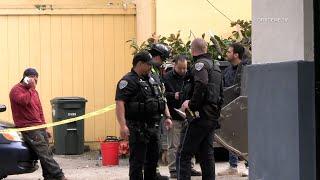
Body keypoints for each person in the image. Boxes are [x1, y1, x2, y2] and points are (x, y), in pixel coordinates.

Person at [115, 51, 172, 180]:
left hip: (154, 127)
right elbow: (120, 103)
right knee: (137, 162)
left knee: (152, 161)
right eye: (148, 65)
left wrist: (167, 117)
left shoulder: (153, 78)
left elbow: (161, 99)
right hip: (137, 128)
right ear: (140, 64)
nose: (151, 67)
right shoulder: (127, 81)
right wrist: (123, 125)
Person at [176, 38, 224, 180]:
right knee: (206, 155)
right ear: (206, 49)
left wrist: (191, 104)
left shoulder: (200, 65)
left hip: (200, 116)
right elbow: (221, 92)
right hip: (211, 116)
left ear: (193, 50)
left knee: (184, 154)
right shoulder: (215, 66)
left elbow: (201, 84)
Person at [9, 68, 67, 180]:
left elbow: (39, 111)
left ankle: (48, 177)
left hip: (39, 126)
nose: (35, 82)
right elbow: (24, 101)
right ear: (26, 78)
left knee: (47, 154)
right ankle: (60, 176)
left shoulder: (34, 92)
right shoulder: (16, 90)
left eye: (36, 80)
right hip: (28, 127)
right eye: (33, 79)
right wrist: (31, 88)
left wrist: (44, 127)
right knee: (44, 153)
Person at [163, 55, 201, 178]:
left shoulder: (190, 76)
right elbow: (161, 95)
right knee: (174, 145)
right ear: (175, 65)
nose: (183, 71)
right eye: (180, 68)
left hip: (188, 115)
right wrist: (173, 95)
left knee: (189, 143)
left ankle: (189, 167)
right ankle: (174, 169)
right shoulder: (167, 78)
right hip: (174, 115)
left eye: (185, 68)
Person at [218, 43, 248, 176]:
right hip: (231, 108)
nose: (227, 53)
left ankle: (250, 166)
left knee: (247, 137)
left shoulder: (247, 69)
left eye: (229, 52)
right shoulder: (228, 70)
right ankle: (233, 166)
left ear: (236, 54)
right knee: (232, 135)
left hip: (245, 109)